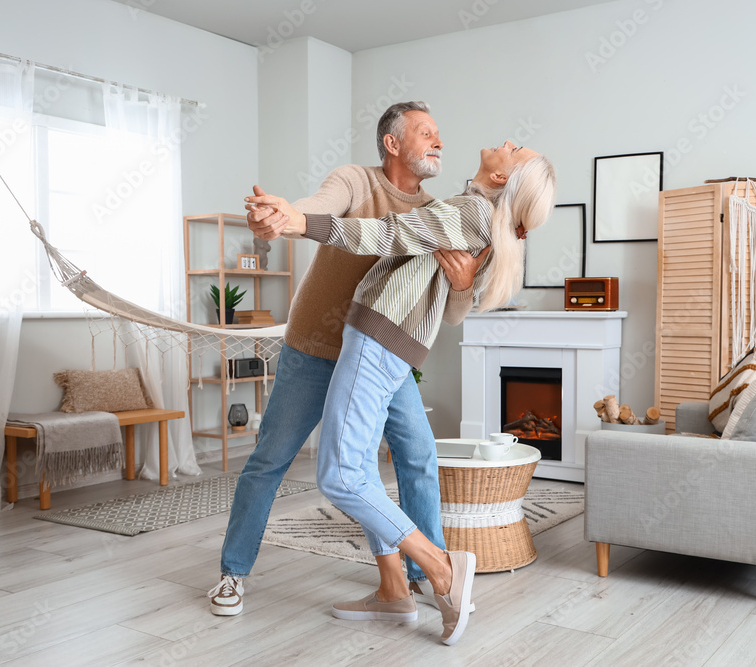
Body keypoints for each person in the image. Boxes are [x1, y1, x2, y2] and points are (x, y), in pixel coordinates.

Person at [247, 141, 557, 645]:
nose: (508, 143)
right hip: (393, 343)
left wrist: (299, 224)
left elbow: (388, 234)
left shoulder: (470, 211)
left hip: (378, 338)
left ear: (504, 178)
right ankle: (395, 594)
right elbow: (446, 294)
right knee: (377, 461)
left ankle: (440, 568)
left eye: (516, 150)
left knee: (341, 474)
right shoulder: (476, 213)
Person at [209, 102, 490, 621]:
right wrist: (284, 218)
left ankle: (426, 578)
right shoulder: (356, 181)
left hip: (382, 357)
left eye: (438, 135)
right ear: (392, 142)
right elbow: (320, 205)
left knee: (417, 456)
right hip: (316, 349)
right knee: (269, 460)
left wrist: (464, 284)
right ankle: (232, 572)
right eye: (426, 133)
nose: (439, 142)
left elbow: (449, 315)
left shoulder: (436, 211)